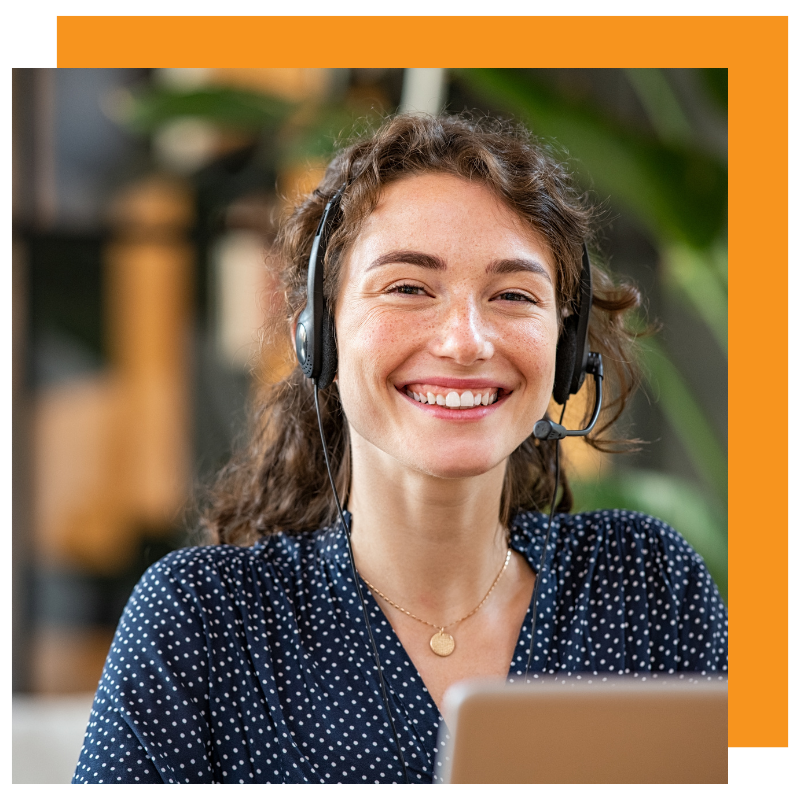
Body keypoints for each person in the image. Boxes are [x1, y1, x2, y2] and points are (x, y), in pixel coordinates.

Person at [73, 114, 727, 785]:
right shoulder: (206, 623)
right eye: (409, 287)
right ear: (317, 335)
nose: (466, 341)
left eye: (512, 295)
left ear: (562, 352)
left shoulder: (646, 586)